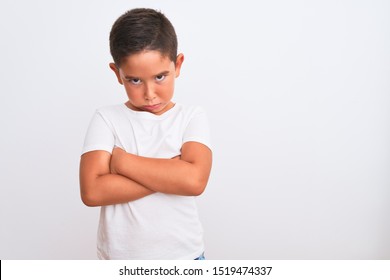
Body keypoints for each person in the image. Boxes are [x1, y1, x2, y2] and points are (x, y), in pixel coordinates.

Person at [79, 8, 212, 260]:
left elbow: (194, 181)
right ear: (117, 73)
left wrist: (122, 163)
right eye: (135, 81)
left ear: (178, 64)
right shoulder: (106, 119)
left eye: (160, 77)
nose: (150, 93)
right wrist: (171, 175)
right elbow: (93, 191)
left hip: (185, 257)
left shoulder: (192, 117)